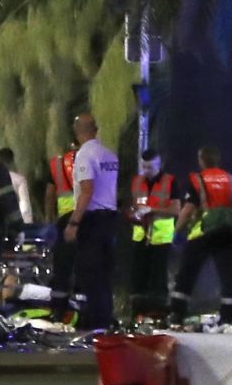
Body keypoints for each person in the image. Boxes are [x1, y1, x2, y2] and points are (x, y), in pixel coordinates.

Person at [167, 145, 232, 326]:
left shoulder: (196, 180)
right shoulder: (231, 179)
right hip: (227, 231)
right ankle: (229, 313)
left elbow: (188, 209)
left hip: (204, 231)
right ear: (219, 160)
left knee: (187, 271)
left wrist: (177, 231)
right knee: (227, 274)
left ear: (201, 160)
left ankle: (177, 312)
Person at [63, 113, 119, 330]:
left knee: (89, 271)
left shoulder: (85, 157)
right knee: (104, 273)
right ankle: (105, 318)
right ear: (95, 130)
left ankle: (95, 321)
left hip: (92, 220)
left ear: (77, 133)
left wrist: (74, 223)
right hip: (110, 219)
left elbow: (87, 191)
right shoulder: (109, 155)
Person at [127, 148, 180, 321]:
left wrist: (153, 210)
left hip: (161, 238)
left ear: (159, 164)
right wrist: (134, 214)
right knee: (138, 278)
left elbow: (175, 209)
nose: (147, 171)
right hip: (140, 236)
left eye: (150, 167)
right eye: (144, 167)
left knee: (158, 279)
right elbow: (133, 205)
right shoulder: (136, 182)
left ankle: (159, 315)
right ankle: (137, 315)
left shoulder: (170, 181)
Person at [45, 143, 79, 322]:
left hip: (63, 220)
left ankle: (58, 311)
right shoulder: (88, 161)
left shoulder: (55, 165)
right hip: (84, 219)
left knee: (61, 268)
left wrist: (49, 221)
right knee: (83, 266)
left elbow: (50, 195)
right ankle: (82, 311)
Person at [0, 148, 33, 225]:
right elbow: (25, 205)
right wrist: (27, 224)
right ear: (12, 161)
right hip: (15, 222)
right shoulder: (19, 180)